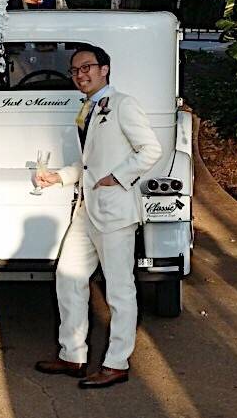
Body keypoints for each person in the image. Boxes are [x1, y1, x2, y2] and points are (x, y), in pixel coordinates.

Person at [33, 44, 161, 389]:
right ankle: (72, 355)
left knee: (119, 290)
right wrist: (58, 177)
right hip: (86, 209)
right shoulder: (86, 109)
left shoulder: (122, 104)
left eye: (87, 67)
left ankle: (117, 363)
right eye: (74, 70)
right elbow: (88, 165)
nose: (80, 75)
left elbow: (150, 149)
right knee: (68, 276)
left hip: (115, 211)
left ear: (105, 69)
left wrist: (117, 177)